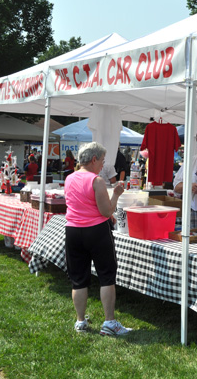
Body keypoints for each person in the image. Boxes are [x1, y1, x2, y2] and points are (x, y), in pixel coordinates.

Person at [64, 142, 131, 336]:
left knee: (78, 279)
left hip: (73, 230)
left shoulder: (69, 178)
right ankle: (109, 321)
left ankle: (80, 321)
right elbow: (106, 211)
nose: (103, 164)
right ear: (94, 159)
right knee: (106, 276)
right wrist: (116, 195)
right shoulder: (97, 181)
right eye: (102, 160)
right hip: (96, 231)